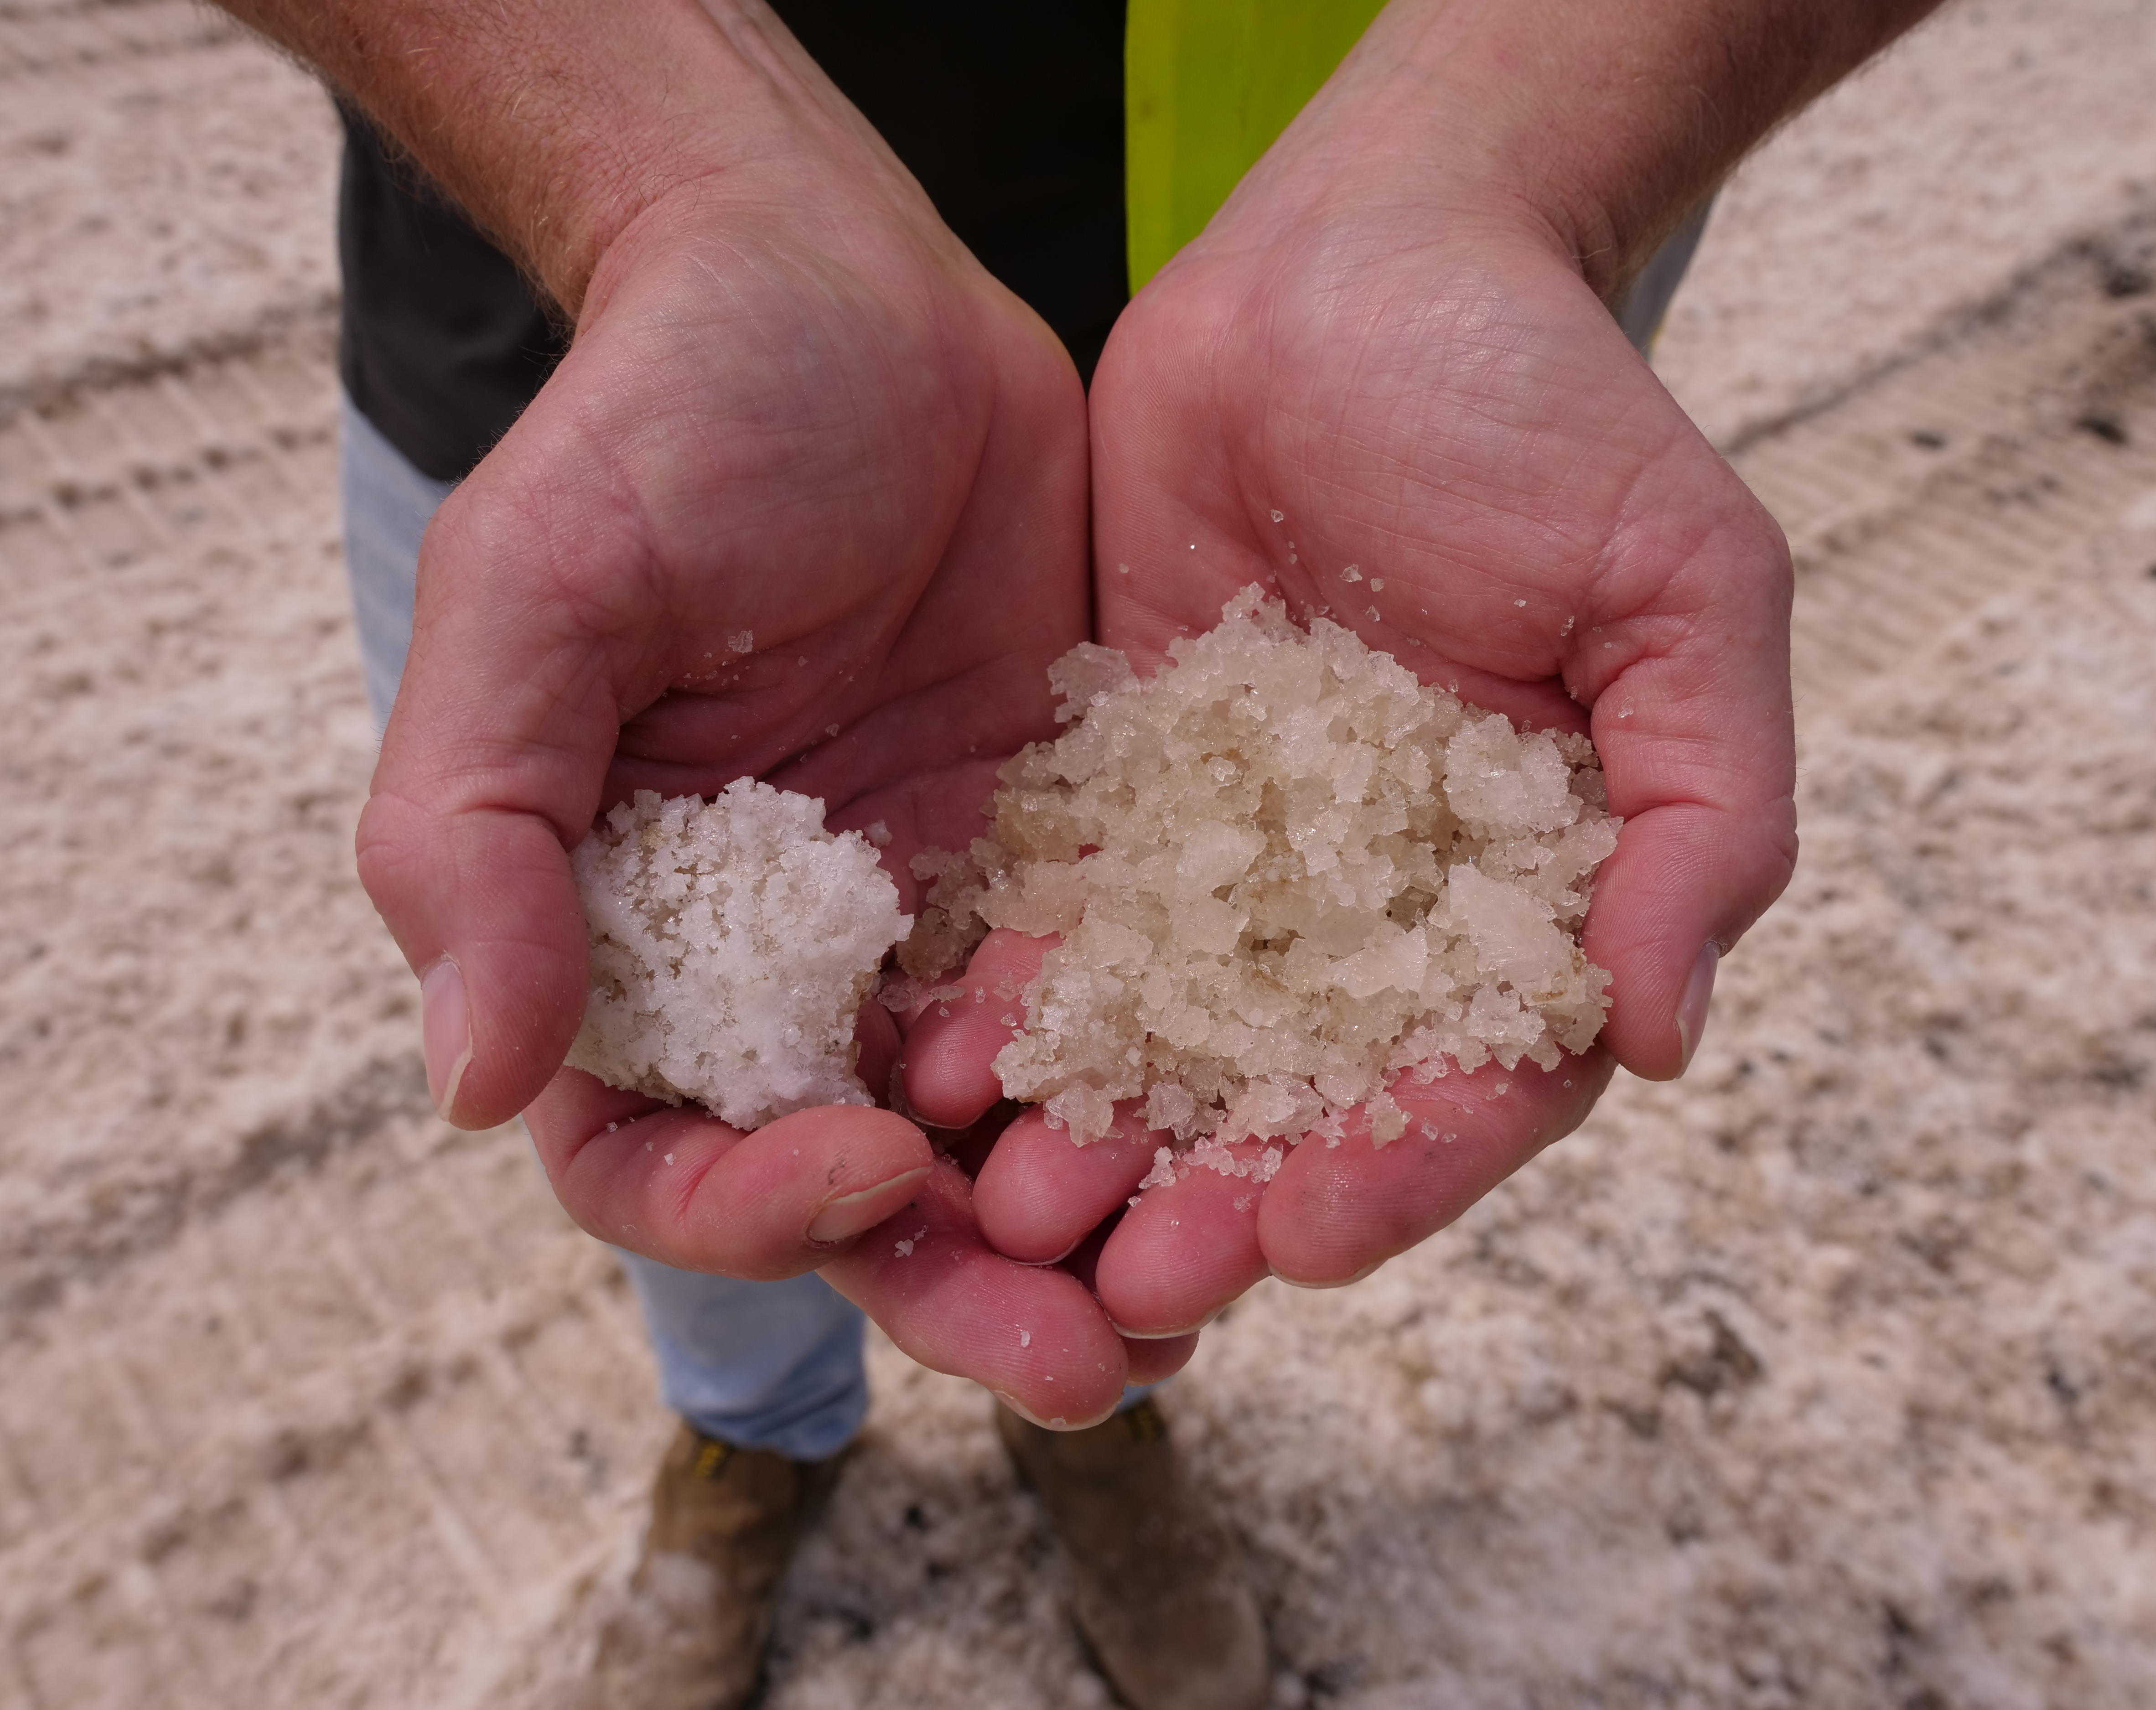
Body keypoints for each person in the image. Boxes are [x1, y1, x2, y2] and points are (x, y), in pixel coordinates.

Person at [217, 1, 1942, 1704]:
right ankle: (749, 1429)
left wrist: (1496, 161)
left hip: (1360, 347)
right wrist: (676, 193)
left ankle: (1100, 1412)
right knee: (664, 1080)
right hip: (619, 344)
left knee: (1084, 1199)